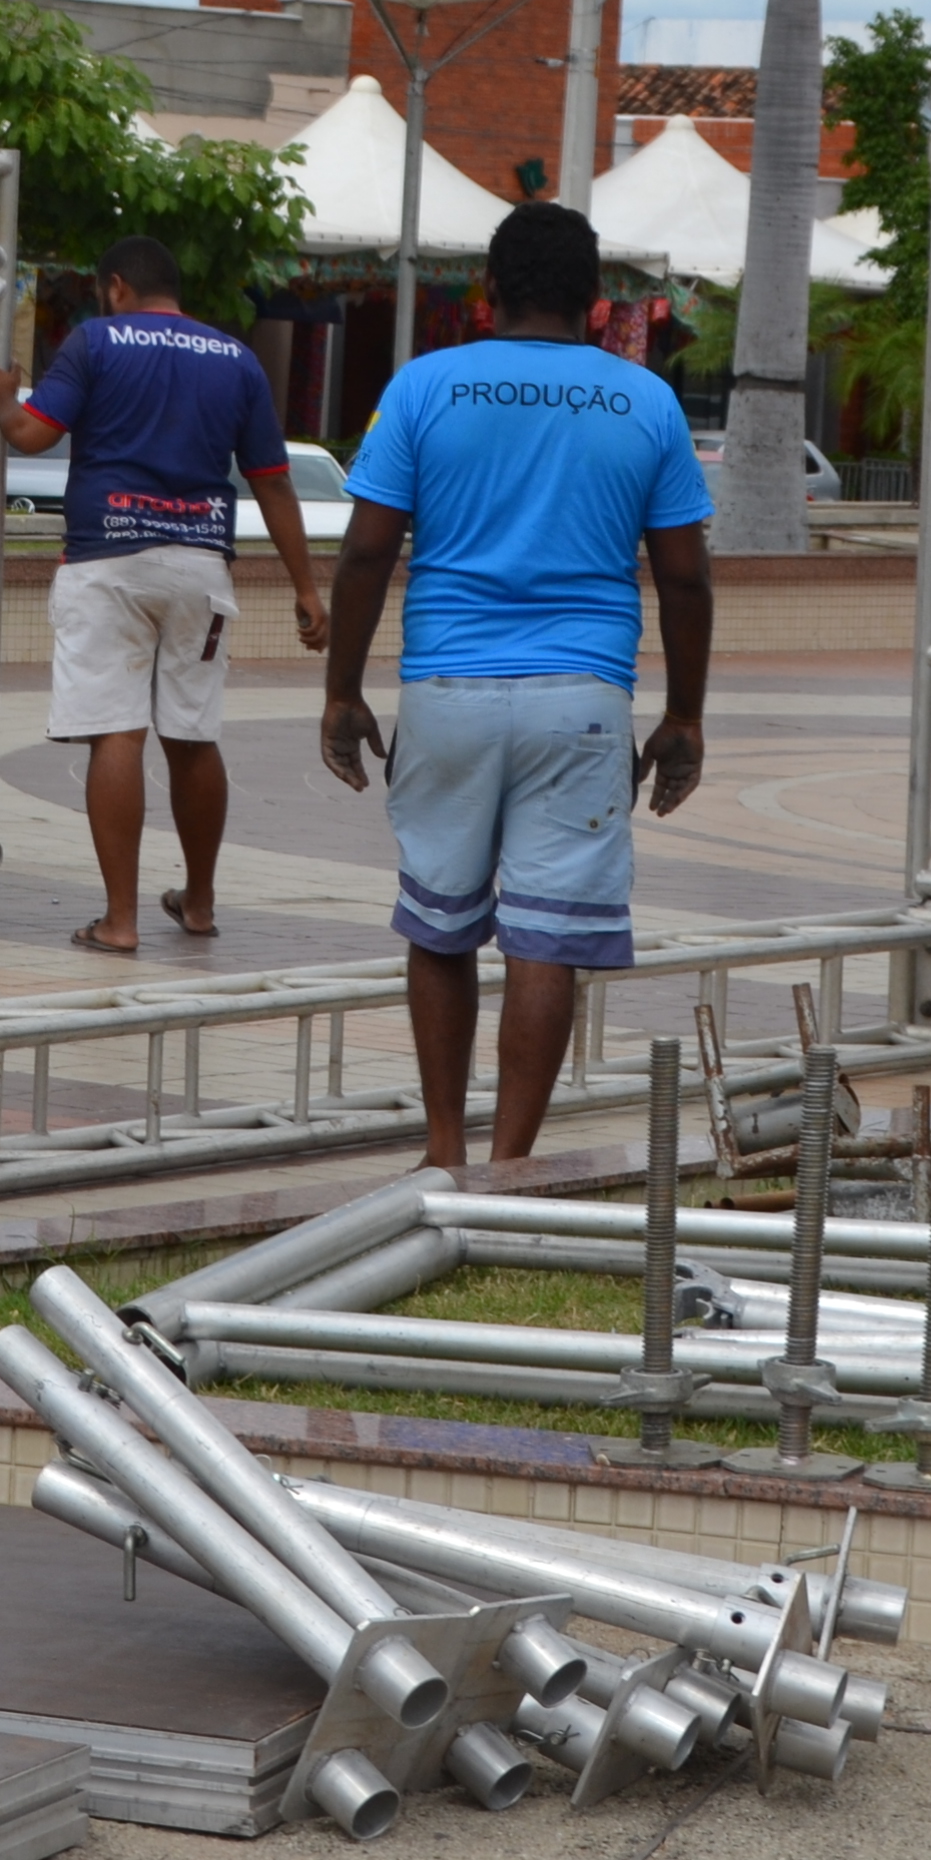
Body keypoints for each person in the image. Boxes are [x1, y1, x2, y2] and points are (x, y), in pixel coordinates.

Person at [317, 202, 712, 1169]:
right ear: (596, 304)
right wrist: (684, 716)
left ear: (486, 296)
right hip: (583, 699)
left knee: (442, 923)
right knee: (548, 938)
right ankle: (511, 1167)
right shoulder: (646, 403)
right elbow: (686, 577)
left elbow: (367, 553)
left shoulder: (423, 388)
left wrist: (343, 691)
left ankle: (443, 1148)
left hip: (447, 690)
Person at [0, 235, 329, 953]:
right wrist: (305, 587)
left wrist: (0, 401)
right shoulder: (237, 359)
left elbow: (33, 435)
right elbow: (272, 479)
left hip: (107, 559)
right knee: (192, 737)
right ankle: (197, 904)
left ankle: (120, 920)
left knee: (117, 733)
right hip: (200, 564)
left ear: (115, 288)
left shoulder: (95, 342)